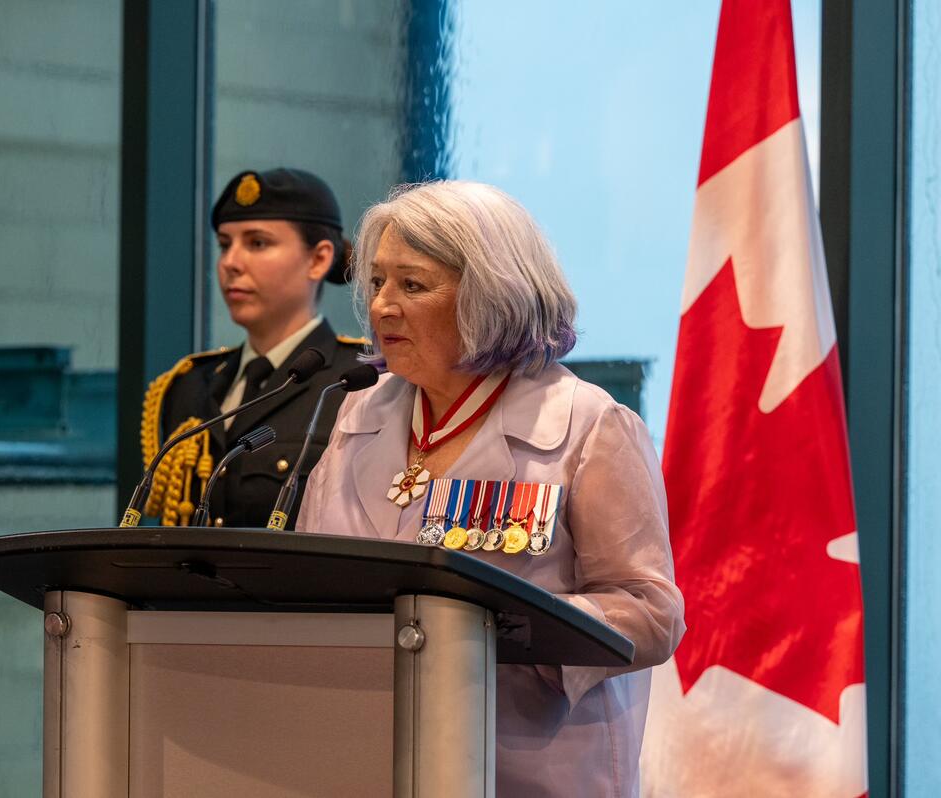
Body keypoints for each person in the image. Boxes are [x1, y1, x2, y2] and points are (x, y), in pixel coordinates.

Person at [298, 181, 685, 796]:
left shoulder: (588, 426)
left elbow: (652, 613)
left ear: (490, 296)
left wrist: (505, 630)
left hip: (525, 770)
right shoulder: (353, 417)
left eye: (413, 285)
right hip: (365, 759)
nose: (381, 307)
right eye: (377, 282)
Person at [140, 167, 366, 529]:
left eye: (257, 243)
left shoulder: (358, 383)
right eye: (225, 245)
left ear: (319, 259)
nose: (230, 263)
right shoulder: (188, 383)